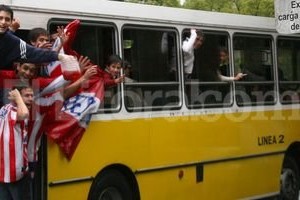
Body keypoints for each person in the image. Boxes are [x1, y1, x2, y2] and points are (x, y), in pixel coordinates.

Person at [0, 4, 74, 70]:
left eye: (7, 19)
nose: (3, 22)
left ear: (10, 22)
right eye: (0, 18)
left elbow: (36, 53)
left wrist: (60, 56)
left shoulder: (12, 41)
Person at [0, 84, 33, 200]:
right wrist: (18, 98)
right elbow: (24, 114)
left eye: (32, 96)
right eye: (26, 96)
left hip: (5, 172)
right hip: (15, 173)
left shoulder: (5, 108)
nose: (30, 99)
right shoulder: (13, 110)